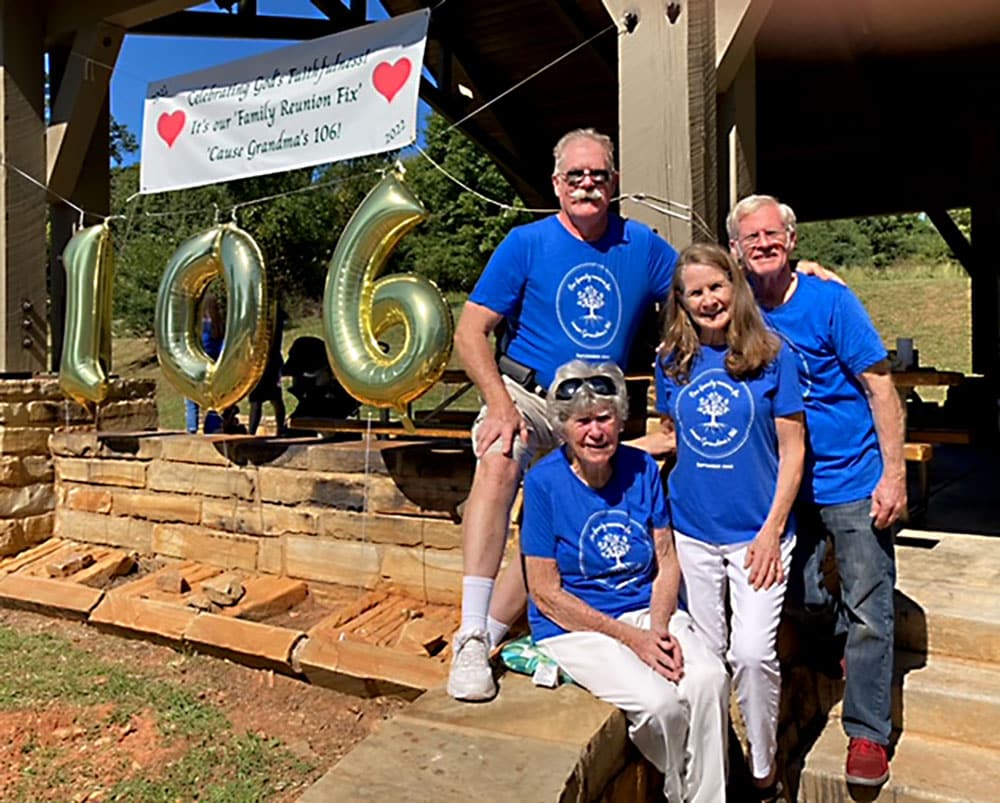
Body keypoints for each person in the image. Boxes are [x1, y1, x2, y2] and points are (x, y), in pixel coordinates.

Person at [447, 128, 680, 701]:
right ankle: (471, 631)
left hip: (598, 406)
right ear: (556, 184)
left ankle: (493, 635)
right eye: (575, 176)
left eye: (597, 175)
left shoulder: (642, 246)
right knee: (499, 456)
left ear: (614, 183)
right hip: (530, 394)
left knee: (549, 538)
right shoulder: (526, 243)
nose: (586, 184)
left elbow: (707, 285)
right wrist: (500, 405)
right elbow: (471, 330)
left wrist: (793, 279)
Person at [728, 194, 906, 787]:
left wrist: (894, 473)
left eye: (772, 234)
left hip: (851, 477)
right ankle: (841, 649)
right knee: (803, 595)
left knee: (871, 608)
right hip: (784, 484)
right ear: (736, 249)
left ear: (793, 240)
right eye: (750, 237)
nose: (763, 244)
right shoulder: (738, 309)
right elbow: (684, 290)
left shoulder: (831, 300)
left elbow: (880, 387)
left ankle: (867, 734)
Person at [522, 359, 729, 803]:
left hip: (644, 608)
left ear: (619, 421)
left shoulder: (642, 469)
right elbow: (544, 591)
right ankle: (682, 789)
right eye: (582, 422)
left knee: (709, 677)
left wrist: (657, 629)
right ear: (564, 428)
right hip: (575, 626)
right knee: (661, 706)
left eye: (604, 418)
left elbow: (666, 559)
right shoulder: (543, 482)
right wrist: (632, 640)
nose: (595, 432)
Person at [652, 243, 805, 798]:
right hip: (692, 530)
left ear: (734, 287)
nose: (708, 299)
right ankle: (718, 769)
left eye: (716, 286)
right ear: (683, 302)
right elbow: (672, 436)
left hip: (757, 534)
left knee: (752, 653)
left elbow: (793, 449)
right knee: (709, 660)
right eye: (695, 292)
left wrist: (771, 530)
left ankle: (765, 770)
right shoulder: (672, 359)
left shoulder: (772, 354)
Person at [185, 291, 224, 434]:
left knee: (191, 399)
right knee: (214, 400)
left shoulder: (199, 327)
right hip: (214, 367)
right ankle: (213, 426)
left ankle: (192, 428)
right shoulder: (220, 326)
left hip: (198, 366)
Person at [248, 306, 287, 436]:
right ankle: (278, 428)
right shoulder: (274, 314)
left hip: (267, 360)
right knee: (264, 399)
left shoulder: (266, 316)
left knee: (266, 399)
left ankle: (279, 428)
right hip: (267, 360)